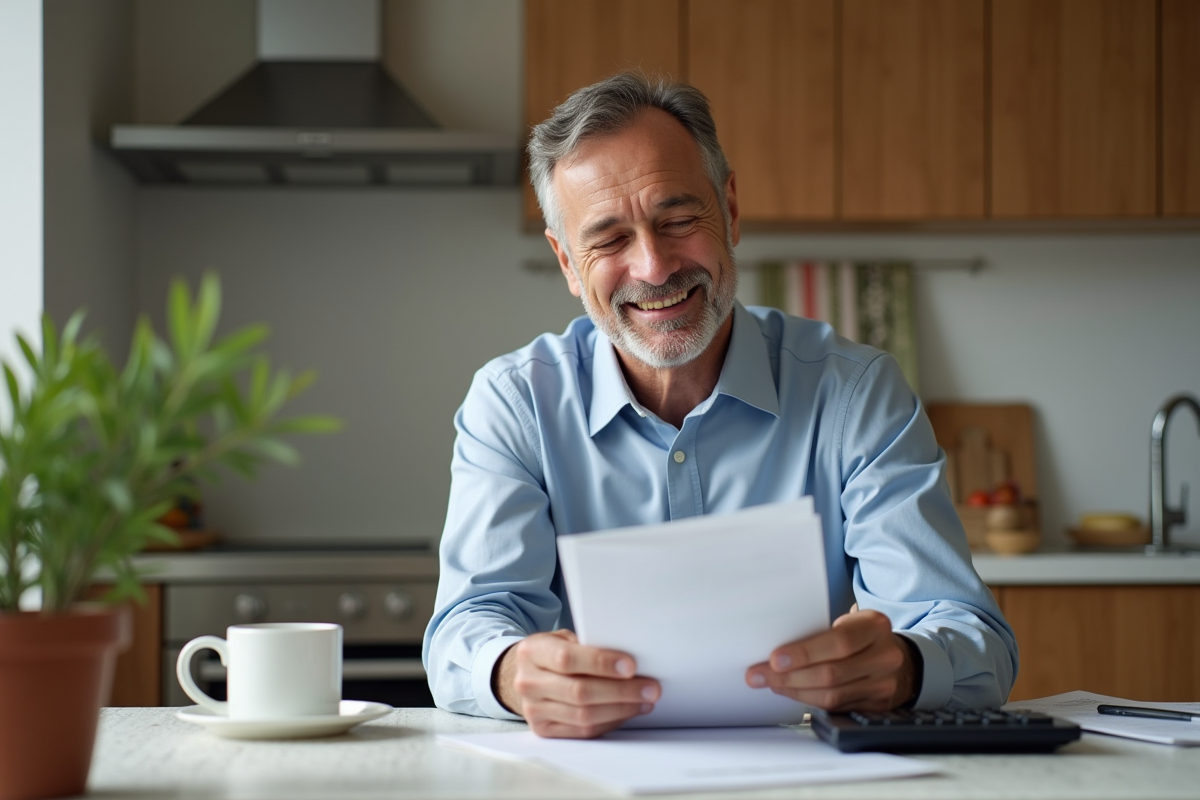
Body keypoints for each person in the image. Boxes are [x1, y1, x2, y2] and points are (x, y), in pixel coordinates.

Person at [422, 72, 1017, 739]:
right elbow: (466, 629)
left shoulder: (856, 392)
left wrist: (904, 668)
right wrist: (511, 672)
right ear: (566, 261)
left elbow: (973, 639)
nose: (653, 267)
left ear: (729, 211)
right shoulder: (516, 403)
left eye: (678, 220)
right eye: (610, 240)